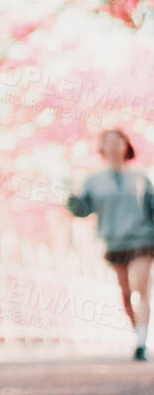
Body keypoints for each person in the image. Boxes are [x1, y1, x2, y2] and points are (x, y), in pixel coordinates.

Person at [64, 128, 154, 360]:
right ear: (102, 148)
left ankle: (142, 343)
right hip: (114, 242)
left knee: (139, 287)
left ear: (127, 145)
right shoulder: (93, 181)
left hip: (142, 239)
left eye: (118, 141)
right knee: (125, 293)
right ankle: (139, 334)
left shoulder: (141, 178)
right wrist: (72, 201)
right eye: (108, 142)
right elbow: (83, 209)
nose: (113, 146)